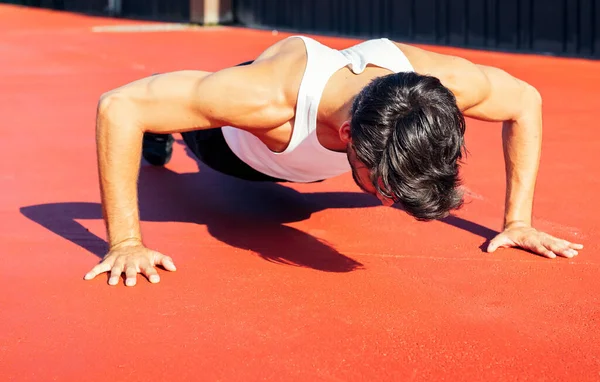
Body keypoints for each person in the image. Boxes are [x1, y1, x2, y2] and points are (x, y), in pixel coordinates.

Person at [83, 35, 583, 287]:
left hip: (320, 131)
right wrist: (126, 241)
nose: (388, 201)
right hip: (238, 150)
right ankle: (170, 128)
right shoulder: (261, 100)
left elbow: (525, 101)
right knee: (170, 117)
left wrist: (518, 220)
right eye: (383, 186)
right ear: (347, 135)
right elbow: (117, 106)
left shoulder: (443, 84)